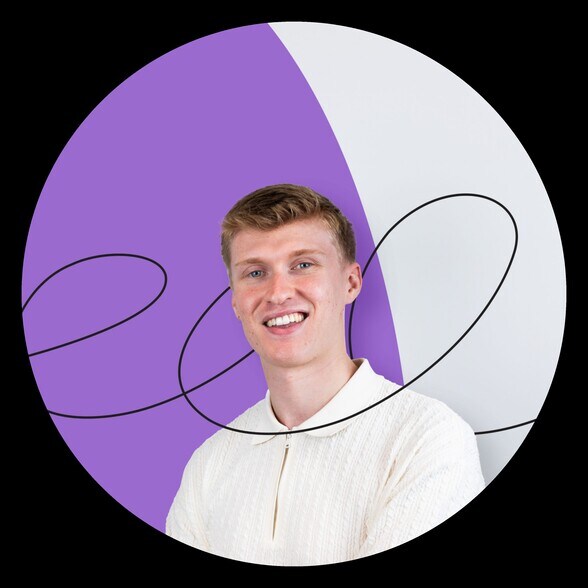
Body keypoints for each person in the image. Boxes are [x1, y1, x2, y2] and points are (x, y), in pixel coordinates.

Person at [166, 184, 485, 565]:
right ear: (236, 302)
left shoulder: (426, 437)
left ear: (351, 282)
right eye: (255, 272)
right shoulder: (209, 465)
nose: (278, 293)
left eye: (303, 265)